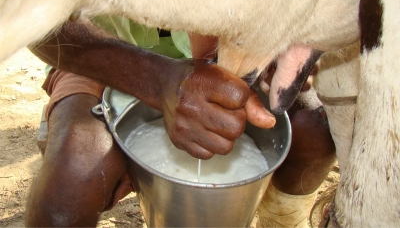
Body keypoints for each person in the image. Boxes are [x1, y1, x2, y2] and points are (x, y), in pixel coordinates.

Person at [26, 16, 335, 227]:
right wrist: (158, 81)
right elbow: (35, 20)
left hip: (222, 52)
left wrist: (274, 43)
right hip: (96, 55)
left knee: (312, 127)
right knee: (70, 190)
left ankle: (282, 218)